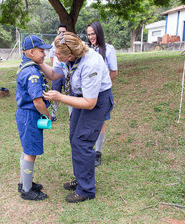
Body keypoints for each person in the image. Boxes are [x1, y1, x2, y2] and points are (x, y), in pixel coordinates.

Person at [39, 32, 114, 203]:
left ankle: (86, 190)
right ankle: (81, 179)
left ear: (71, 54)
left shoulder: (91, 63)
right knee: (74, 138)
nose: (54, 56)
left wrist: (59, 97)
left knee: (83, 140)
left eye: (58, 55)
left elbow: (89, 103)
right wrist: (40, 63)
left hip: (96, 100)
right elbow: (54, 74)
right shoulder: (63, 53)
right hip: (80, 96)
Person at [16, 35, 52, 201]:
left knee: (27, 149)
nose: (44, 54)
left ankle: (25, 183)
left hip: (24, 115)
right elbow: (37, 101)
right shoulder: (32, 73)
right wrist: (47, 115)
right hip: (30, 116)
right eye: (41, 50)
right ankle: (27, 190)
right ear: (31, 52)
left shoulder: (27, 66)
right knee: (30, 152)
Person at [87, 21, 118, 167]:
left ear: (99, 33)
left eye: (93, 34)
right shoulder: (86, 49)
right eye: (88, 34)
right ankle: (88, 150)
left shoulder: (109, 50)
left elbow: (114, 72)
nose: (91, 37)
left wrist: (100, 85)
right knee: (88, 122)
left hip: (102, 94)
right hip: (88, 94)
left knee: (101, 123)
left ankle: (97, 153)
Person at [48, 24, 67, 121]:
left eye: (64, 32)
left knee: (69, 94)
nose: (61, 34)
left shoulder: (68, 44)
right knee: (55, 94)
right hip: (57, 74)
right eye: (60, 32)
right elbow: (51, 58)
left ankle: (72, 115)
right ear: (57, 32)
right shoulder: (53, 44)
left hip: (67, 74)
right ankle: (53, 115)